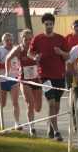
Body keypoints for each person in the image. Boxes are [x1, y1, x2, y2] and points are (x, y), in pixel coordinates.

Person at [28, 13, 70, 142]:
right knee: (51, 103)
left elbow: (67, 56)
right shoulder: (37, 39)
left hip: (59, 76)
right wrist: (35, 58)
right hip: (45, 76)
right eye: (46, 24)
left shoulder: (61, 39)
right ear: (43, 25)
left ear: (53, 24)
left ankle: (51, 126)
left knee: (56, 106)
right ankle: (57, 131)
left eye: (51, 24)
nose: (49, 26)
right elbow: (30, 53)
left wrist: (61, 52)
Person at [5, 29, 42, 137]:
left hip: (36, 79)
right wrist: (8, 73)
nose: (28, 41)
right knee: (30, 104)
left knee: (38, 108)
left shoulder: (35, 48)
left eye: (30, 39)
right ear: (22, 39)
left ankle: (32, 122)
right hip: (24, 80)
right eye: (26, 39)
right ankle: (32, 127)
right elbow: (8, 58)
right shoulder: (18, 49)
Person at [0, 33, 22, 129]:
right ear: (3, 42)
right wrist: (4, 65)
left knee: (15, 102)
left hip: (13, 79)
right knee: (2, 103)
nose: (9, 42)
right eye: (7, 40)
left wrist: (19, 68)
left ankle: (17, 123)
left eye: (11, 40)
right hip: (2, 80)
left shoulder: (16, 49)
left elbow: (21, 61)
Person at [64, 19, 78, 90]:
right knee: (71, 91)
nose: (77, 28)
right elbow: (62, 49)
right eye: (75, 26)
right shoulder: (68, 37)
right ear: (72, 27)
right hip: (69, 67)